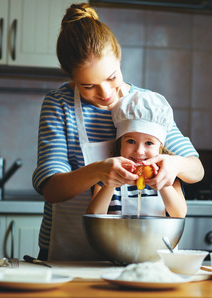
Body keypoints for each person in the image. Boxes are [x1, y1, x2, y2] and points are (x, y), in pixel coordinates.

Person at [32, 2, 203, 261]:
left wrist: (174, 164)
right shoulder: (59, 105)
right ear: (72, 77)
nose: (105, 93)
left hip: (140, 253)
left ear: (119, 58)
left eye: (112, 77)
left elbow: (196, 170)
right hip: (70, 252)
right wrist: (100, 172)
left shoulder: (146, 105)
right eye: (88, 86)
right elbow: (52, 190)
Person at [86, 90, 187, 218]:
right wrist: (111, 184)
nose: (139, 151)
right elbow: (94, 215)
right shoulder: (108, 175)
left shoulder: (169, 177)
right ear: (120, 143)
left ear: (160, 148)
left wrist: (162, 184)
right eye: (131, 141)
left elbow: (179, 214)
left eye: (149, 143)